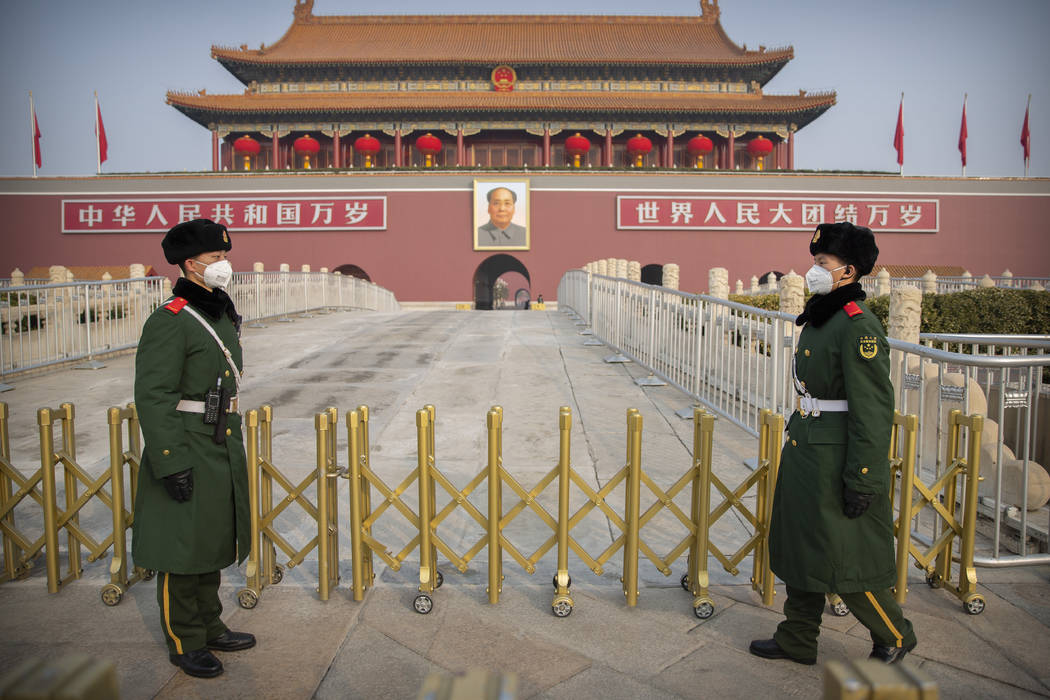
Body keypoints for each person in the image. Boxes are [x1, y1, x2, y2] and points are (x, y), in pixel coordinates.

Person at [749, 221, 917, 666]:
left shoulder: (857, 327)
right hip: (807, 445)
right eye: (815, 261)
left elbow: (873, 409)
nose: (814, 270)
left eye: (823, 263)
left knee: (846, 557)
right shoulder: (823, 315)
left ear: (849, 271)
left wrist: (863, 476)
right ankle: (797, 638)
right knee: (803, 546)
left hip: (837, 456)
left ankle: (894, 634)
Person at [132, 218, 254, 679]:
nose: (224, 265)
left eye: (225, 256)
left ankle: (209, 624)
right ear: (190, 264)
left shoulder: (219, 312)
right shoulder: (171, 320)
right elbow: (154, 395)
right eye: (215, 258)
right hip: (185, 441)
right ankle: (184, 639)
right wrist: (170, 460)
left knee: (210, 538)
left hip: (219, 438)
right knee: (181, 548)